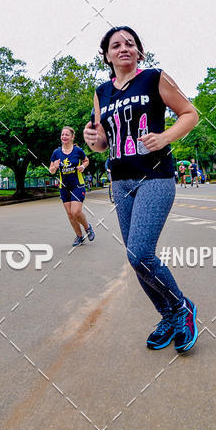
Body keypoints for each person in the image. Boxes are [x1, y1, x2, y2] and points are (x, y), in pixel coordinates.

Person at [84, 25, 200, 353]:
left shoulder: (154, 78)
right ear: (106, 55)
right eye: (116, 45)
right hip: (120, 180)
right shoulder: (101, 93)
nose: (124, 48)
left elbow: (190, 114)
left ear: (138, 52)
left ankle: (181, 308)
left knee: (140, 253)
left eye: (130, 44)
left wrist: (165, 137)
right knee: (135, 257)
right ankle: (168, 315)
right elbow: (104, 141)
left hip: (155, 176)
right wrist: (94, 141)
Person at [49, 127, 95, 246]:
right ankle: (79, 236)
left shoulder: (78, 150)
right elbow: (51, 170)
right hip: (64, 187)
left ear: (72, 137)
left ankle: (87, 227)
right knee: (70, 214)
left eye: (67, 135)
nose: (64, 136)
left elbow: (86, 160)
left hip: (77, 185)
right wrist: (55, 166)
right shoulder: (56, 152)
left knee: (76, 212)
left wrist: (83, 167)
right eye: (62, 134)